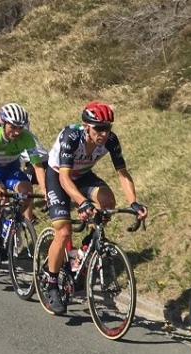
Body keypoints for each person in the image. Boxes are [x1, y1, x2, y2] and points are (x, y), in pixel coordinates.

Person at [42, 101, 148, 314]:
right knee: (63, 232)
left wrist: (134, 202)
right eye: (99, 128)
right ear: (86, 126)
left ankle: (86, 246)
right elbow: (64, 177)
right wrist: (82, 202)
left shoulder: (111, 140)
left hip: (82, 175)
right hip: (58, 176)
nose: (104, 133)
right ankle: (51, 283)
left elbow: (122, 173)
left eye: (108, 128)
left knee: (108, 201)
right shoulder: (71, 137)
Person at [0, 103, 48, 277]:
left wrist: (45, 190)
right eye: (13, 127)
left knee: (27, 191)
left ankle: (10, 222)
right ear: (3, 122)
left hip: (10, 170)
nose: (16, 132)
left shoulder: (27, 137)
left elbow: (38, 166)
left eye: (20, 128)